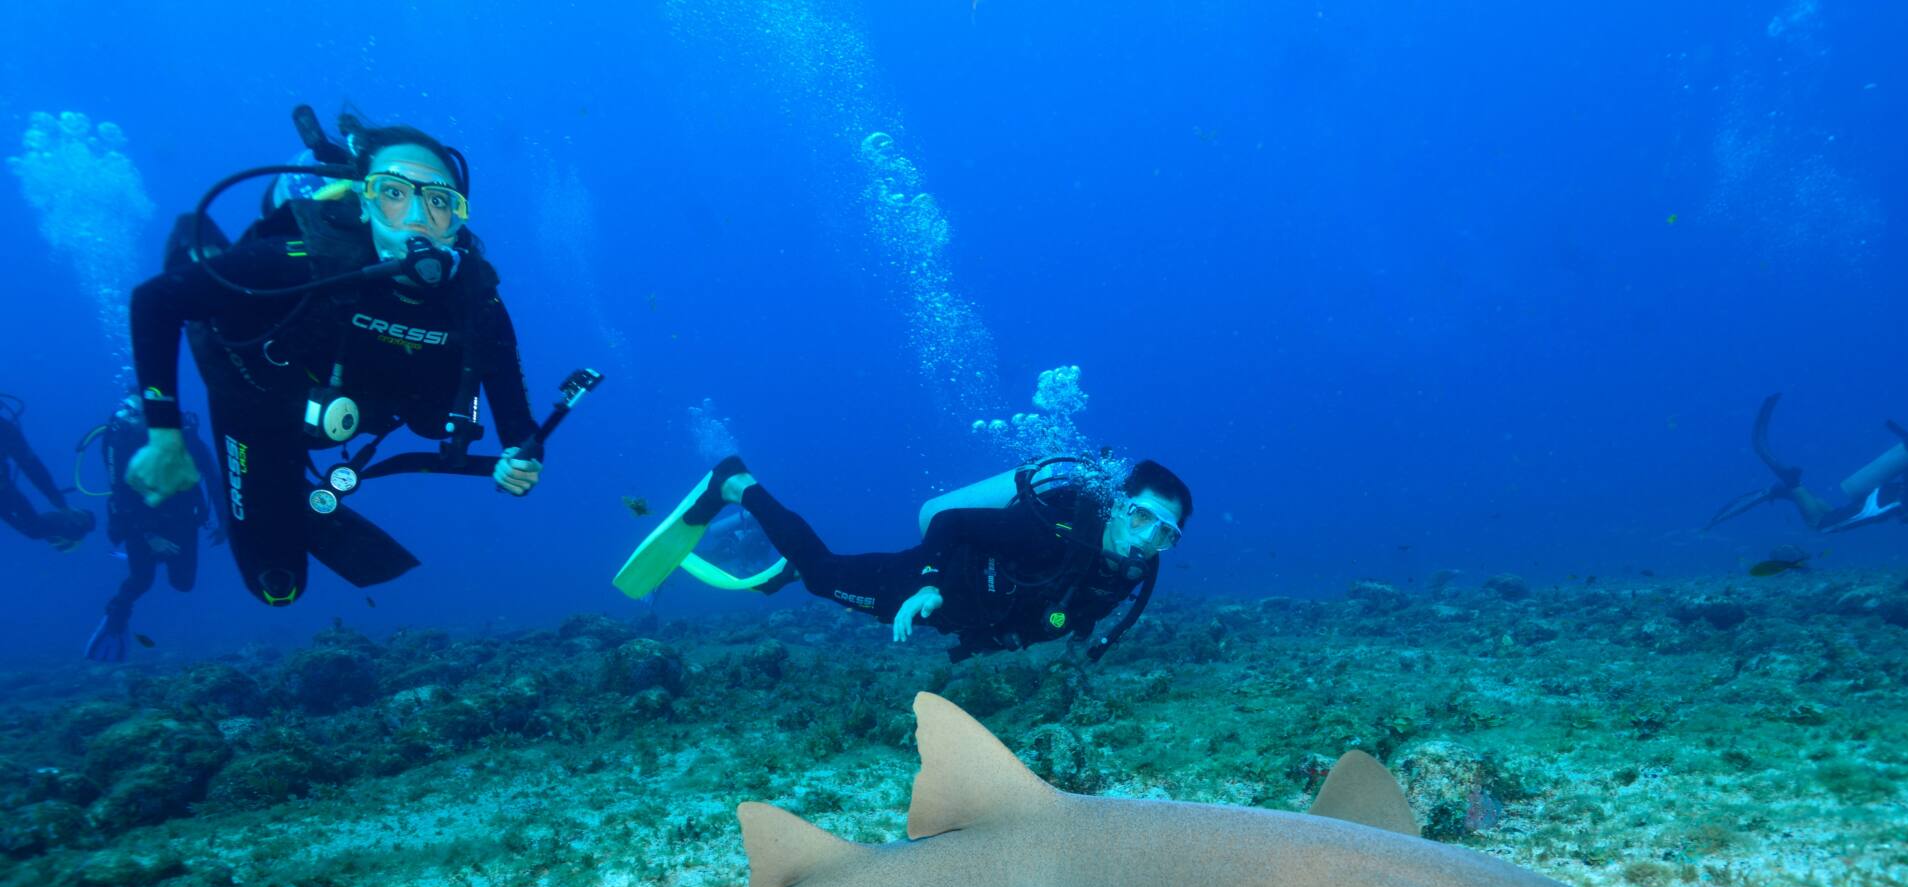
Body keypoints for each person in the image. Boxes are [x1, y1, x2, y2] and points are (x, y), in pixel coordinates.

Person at [120, 111, 546, 607]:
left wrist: (523, 460)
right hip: (254, 391)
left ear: (455, 220)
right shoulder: (308, 259)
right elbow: (154, 302)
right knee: (277, 584)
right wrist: (165, 439)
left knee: (279, 578)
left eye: (438, 201)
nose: (416, 216)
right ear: (363, 203)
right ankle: (199, 250)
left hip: (341, 408)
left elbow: (520, 426)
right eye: (392, 192)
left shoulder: (478, 300)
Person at [673, 454, 1190, 662]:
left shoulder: (1130, 570)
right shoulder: (1046, 532)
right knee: (822, 574)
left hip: (956, 614)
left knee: (828, 582)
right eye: (1142, 518)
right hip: (933, 580)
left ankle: (785, 567)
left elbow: (1066, 608)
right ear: (1119, 505)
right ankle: (736, 483)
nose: (1147, 540)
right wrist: (926, 583)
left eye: (1165, 534)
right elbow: (950, 523)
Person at [83, 395, 222, 661]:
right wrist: (149, 535)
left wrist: (225, 522)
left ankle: (152, 557)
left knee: (183, 583)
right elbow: (121, 494)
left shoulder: (185, 434)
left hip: (181, 517)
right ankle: (115, 621)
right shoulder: (123, 439)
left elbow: (213, 477)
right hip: (138, 520)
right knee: (141, 580)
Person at [1707, 394, 1908, 534]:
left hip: (1895, 495)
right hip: (1890, 500)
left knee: (1830, 516)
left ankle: (1790, 489)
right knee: (1821, 525)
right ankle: (1790, 485)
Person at [0, 393, 94, 551]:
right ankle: (71, 523)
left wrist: (60, 504)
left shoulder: (5, 430)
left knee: (32, 528)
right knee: (32, 528)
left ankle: (71, 524)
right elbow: (32, 467)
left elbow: (32, 467)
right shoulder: (6, 430)